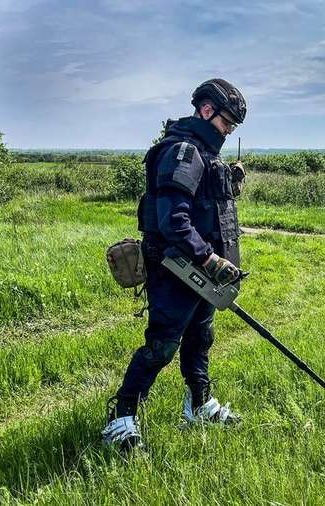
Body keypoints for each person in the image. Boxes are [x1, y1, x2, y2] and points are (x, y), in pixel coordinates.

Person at [102, 79, 247, 451]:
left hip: (203, 274)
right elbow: (174, 222)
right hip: (177, 269)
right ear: (206, 111)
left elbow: (204, 209)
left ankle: (199, 405)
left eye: (233, 125)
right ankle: (121, 416)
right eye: (225, 122)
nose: (229, 131)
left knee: (200, 339)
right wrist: (209, 258)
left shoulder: (206, 153)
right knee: (162, 346)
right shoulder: (182, 150)